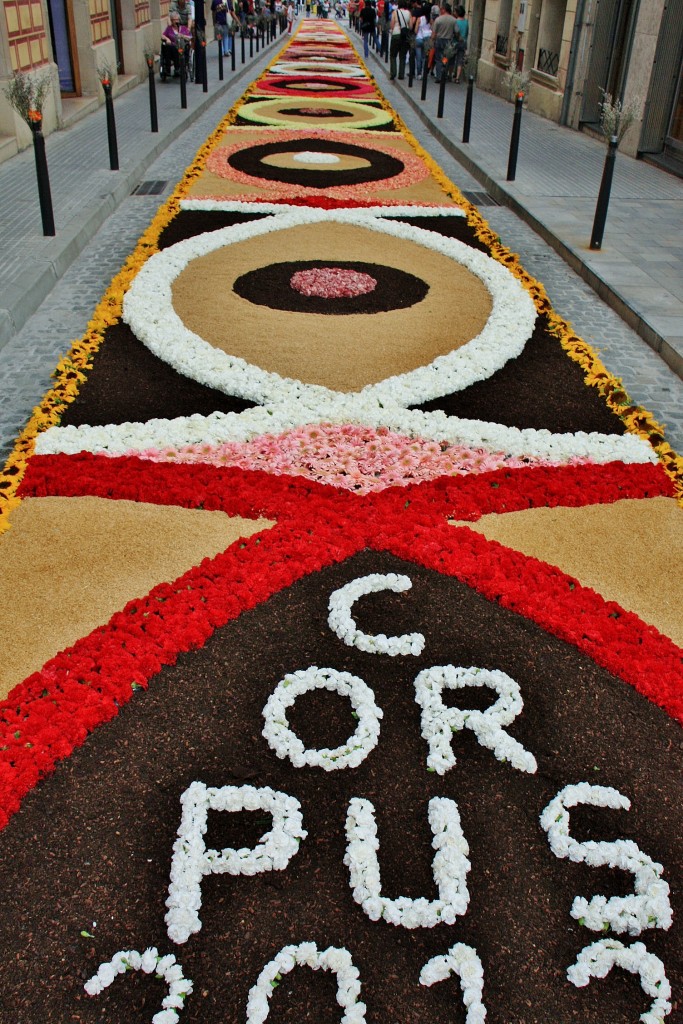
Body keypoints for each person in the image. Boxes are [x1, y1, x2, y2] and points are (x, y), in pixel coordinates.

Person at [432, 2, 457, 82]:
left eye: (441, 9)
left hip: (439, 40)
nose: (440, 11)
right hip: (448, 41)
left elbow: (434, 33)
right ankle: (444, 75)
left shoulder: (438, 19)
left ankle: (439, 76)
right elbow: (457, 32)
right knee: (445, 58)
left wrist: (432, 40)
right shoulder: (453, 20)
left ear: (444, 10)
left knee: (438, 59)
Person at [389, 0, 411, 80]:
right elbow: (411, 25)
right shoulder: (409, 13)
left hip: (396, 34)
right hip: (404, 36)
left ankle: (393, 73)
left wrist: (392, 29)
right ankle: (401, 74)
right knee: (403, 56)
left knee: (393, 55)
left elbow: (392, 25)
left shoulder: (395, 12)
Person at [412, 3, 432, 77]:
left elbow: (415, 30)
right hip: (427, 39)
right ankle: (424, 73)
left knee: (418, 57)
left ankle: (419, 73)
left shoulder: (419, 19)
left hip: (419, 38)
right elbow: (432, 29)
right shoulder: (430, 20)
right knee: (424, 57)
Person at [453, 4, 468, 82]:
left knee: (451, 59)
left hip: (455, 42)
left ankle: (450, 74)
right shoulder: (466, 22)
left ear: (457, 13)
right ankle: (457, 78)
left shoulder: (455, 22)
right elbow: (466, 33)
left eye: (455, 11)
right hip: (463, 43)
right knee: (460, 60)